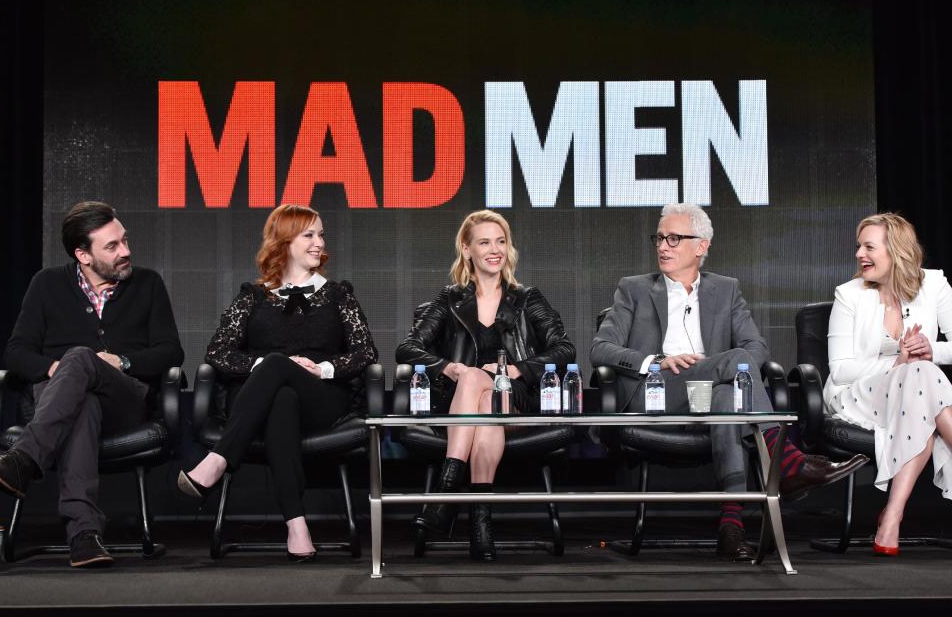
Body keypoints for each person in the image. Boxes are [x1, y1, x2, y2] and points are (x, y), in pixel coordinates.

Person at [590, 203, 868, 561]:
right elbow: (601, 349)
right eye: (659, 238)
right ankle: (786, 461)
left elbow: (757, 347)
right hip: (658, 392)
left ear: (701, 246)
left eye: (674, 238)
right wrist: (656, 362)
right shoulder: (633, 289)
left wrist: (717, 368)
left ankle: (730, 528)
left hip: (712, 394)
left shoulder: (726, 289)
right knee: (735, 365)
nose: (663, 246)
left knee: (726, 396)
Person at [176, 204, 377, 562]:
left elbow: (366, 353)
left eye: (321, 234)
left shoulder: (339, 295)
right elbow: (218, 353)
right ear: (285, 241)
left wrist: (322, 369)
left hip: (322, 399)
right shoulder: (252, 296)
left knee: (283, 379)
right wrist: (265, 365)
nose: (320, 243)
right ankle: (296, 524)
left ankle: (219, 459)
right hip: (261, 401)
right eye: (309, 235)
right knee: (281, 394)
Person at [0, 201, 184, 567]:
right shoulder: (46, 284)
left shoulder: (148, 284)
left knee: (81, 358)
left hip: (125, 401)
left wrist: (123, 362)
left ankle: (24, 460)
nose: (125, 251)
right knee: (82, 399)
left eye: (124, 241)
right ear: (83, 254)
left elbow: (170, 352)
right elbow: (16, 353)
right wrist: (59, 371)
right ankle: (84, 535)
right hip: (60, 403)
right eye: (112, 247)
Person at [395, 210, 576, 561]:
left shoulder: (527, 299)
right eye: (484, 242)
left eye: (501, 241)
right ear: (467, 250)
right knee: (479, 393)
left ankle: (447, 496)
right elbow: (407, 347)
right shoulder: (449, 300)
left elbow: (564, 348)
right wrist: (448, 368)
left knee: (483, 382)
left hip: (515, 401)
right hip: (464, 404)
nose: (495, 250)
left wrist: (517, 369)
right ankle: (481, 528)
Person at [824, 213, 952, 556]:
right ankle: (891, 517)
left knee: (921, 378)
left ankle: (891, 516)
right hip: (857, 396)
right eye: (858, 246)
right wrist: (896, 363)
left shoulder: (935, 286)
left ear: (896, 251)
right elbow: (840, 370)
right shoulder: (848, 295)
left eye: (868, 246)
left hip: (916, 395)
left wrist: (931, 349)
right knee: (920, 376)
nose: (858, 255)